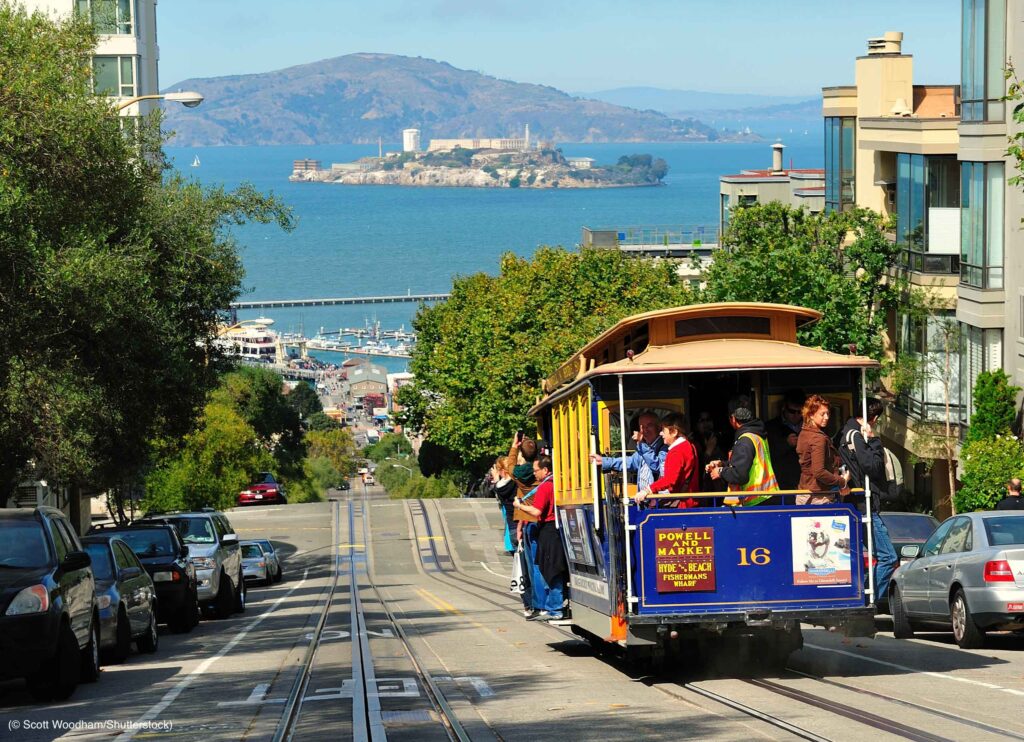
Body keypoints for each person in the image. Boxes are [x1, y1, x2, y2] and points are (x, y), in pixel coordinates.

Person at [836, 399, 898, 607]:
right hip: (865, 505)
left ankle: (863, 594)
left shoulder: (845, 433)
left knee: (874, 556)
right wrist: (874, 441)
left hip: (858, 504)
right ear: (873, 419)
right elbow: (873, 467)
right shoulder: (856, 436)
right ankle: (868, 599)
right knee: (888, 557)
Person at [513, 455, 567, 621]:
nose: (534, 474)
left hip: (548, 530)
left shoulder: (545, 487)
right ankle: (552, 606)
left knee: (550, 570)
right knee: (550, 569)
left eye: (536, 470)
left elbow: (537, 512)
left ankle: (555, 608)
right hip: (553, 530)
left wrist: (520, 506)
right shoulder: (553, 483)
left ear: (545, 470)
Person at [707, 396, 779, 502]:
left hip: (756, 501)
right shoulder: (757, 434)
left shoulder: (745, 440)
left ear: (733, 418)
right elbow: (748, 464)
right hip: (766, 497)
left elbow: (740, 475)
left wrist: (720, 471)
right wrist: (722, 463)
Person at [590, 411, 666, 492]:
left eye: (649, 425)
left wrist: (642, 444)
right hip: (645, 500)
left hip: (658, 500)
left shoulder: (665, 447)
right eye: (642, 427)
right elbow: (630, 462)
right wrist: (604, 461)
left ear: (658, 427)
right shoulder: (646, 447)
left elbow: (657, 466)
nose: (645, 430)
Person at [636, 413, 700, 508]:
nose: (661, 433)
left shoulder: (677, 451)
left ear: (674, 432)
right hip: (690, 501)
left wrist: (648, 490)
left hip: (682, 505)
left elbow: (670, 480)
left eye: (663, 430)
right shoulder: (690, 446)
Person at [796, 394, 850, 505]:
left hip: (804, 492)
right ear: (811, 415)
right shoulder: (818, 438)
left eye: (828, 413)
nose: (827, 417)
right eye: (822, 414)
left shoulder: (804, 432)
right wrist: (842, 481)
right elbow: (819, 472)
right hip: (818, 497)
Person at [765, 389, 805, 491]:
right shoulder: (771, 427)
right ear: (784, 408)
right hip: (781, 485)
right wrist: (785, 444)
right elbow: (766, 455)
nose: (796, 415)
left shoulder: (810, 427)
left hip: (805, 484)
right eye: (792, 411)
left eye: (799, 412)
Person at [693, 411, 727, 492]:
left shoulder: (721, 439)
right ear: (697, 425)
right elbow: (697, 468)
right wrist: (708, 451)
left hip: (721, 487)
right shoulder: (693, 442)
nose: (706, 424)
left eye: (708, 420)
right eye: (702, 420)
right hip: (703, 489)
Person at [491, 457, 518, 553]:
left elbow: (499, 493)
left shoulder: (500, 488)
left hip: (512, 525)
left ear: (502, 471)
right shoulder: (518, 482)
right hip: (523, 524)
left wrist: (496, 479)